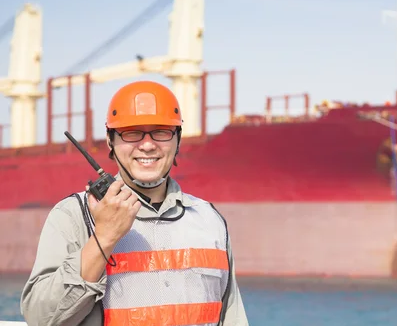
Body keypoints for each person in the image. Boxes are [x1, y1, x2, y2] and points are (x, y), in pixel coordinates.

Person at [21, 80, 249, 326]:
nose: (148, 145)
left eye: (161, 131)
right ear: (110, 141)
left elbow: (232, 317)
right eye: (132, 133)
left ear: (177, 139)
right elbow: (40, 319)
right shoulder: (75, 215)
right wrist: (104, 237)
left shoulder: (209, 219)